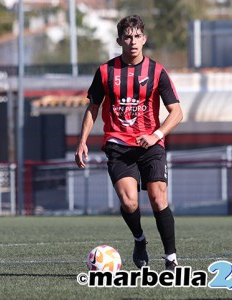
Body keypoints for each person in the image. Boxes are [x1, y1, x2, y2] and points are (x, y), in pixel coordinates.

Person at [74, 15, 183, 271]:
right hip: (118, 145)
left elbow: (177, 113)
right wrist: (82, 141)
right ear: (119, 40)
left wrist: (156, 135)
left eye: (137, 36)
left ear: (144, 39)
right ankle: (139, 239)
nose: (132, 41)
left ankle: (171, 259)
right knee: (130, 202)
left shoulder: (157, 72)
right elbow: (93, 108)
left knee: (158, 198)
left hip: (150, 145)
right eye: (127, 36)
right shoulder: (105, 72)